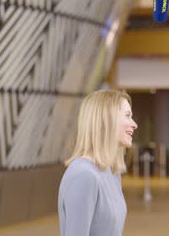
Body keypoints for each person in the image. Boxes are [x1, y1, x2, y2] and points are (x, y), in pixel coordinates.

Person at [58, 89, 138, 236]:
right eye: (127, 116)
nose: (134, 124)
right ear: (106, 120)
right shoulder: (84, 176)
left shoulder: (111, 172)